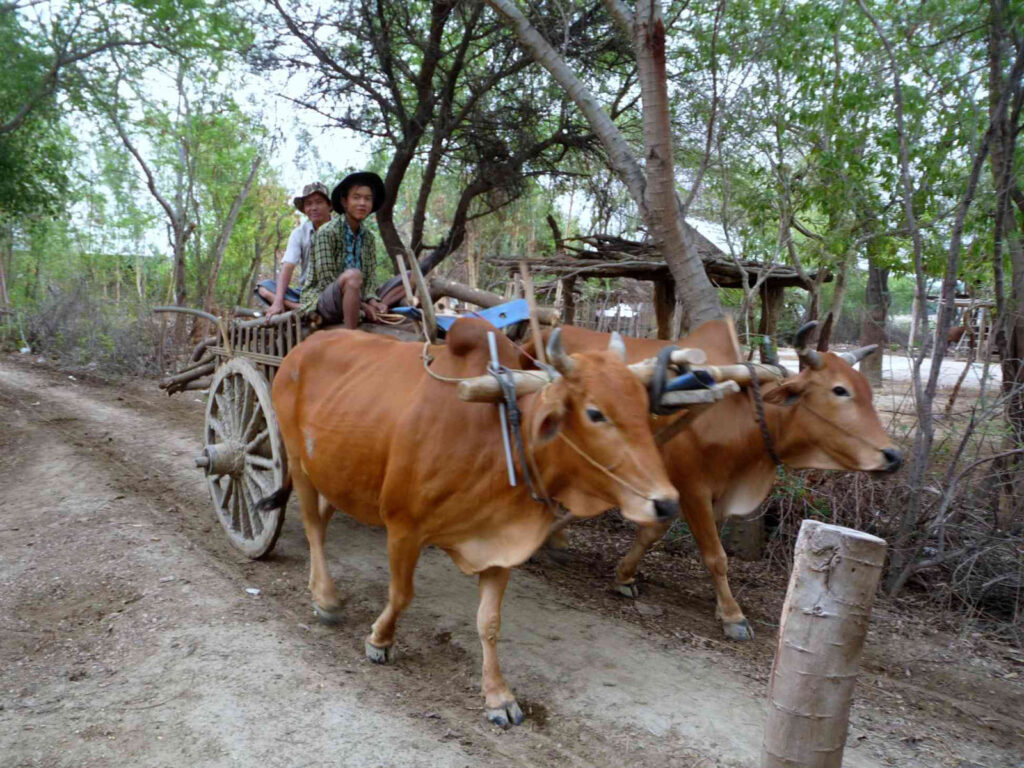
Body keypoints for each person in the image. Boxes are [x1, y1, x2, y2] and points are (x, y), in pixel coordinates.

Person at [299, 171, 390, 328]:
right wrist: (362, 306)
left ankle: (378, 309)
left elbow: (370, 278)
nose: (362, 203)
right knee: (353, 276)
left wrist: (372, 300)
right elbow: (326, 282)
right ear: (344, 202)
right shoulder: (327, 232)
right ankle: (350, 334)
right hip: (323, 301)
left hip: (357, 296)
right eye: (356, 197)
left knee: (409, 277)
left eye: (367, 199)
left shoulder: (368, 237)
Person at [257, 182, 332, 320]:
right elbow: (289, 265)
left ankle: (311, 307)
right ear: (304, 209)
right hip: (305, 292)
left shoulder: (340, 230)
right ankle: (298, 307)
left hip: (333, 291)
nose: (314, 208)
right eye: (309, 204)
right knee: (263, 287)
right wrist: (278, 301)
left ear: (329, 205)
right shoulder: (299, 233)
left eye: (319, 202)